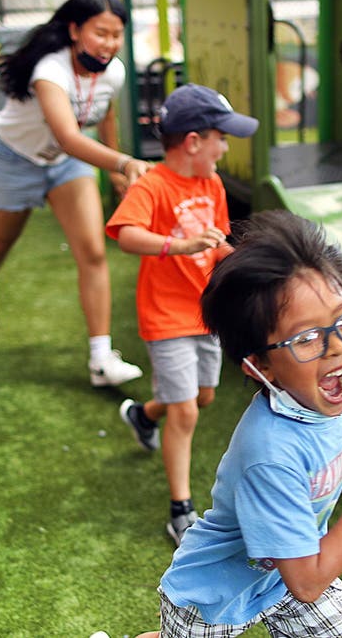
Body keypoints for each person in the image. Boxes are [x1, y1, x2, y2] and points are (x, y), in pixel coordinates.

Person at [135, 210, 342, 636]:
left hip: (284, 570)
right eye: (305, 338)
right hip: (215, 596)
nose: (336, 346)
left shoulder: (340, 388)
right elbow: (308, 581)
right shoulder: (270, 455)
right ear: (259, 364)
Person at [0, 0, 147, 388]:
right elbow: (68, 135)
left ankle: (101, 359)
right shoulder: (50, 71)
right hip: (15, 159)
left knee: (93, 252)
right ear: (74, 29)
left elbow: (105, 117)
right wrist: (124, 163)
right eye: (100, 32)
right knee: (0, 242)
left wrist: (115, 170)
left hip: (67, 165)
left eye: (116, 35)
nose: (109, 43)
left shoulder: (112, 71)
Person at [106, 83, 259, 546]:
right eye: (221, 138)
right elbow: (125, 234)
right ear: (194, 142)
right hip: (165, 316)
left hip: (202, 313)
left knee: (202, 397)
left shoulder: (211, 183)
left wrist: (248, 262)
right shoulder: (153, 183)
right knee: (187, 411)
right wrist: (178, 246)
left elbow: (215, 242)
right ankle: (181, 510)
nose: (226, 148)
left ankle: (144, 416)